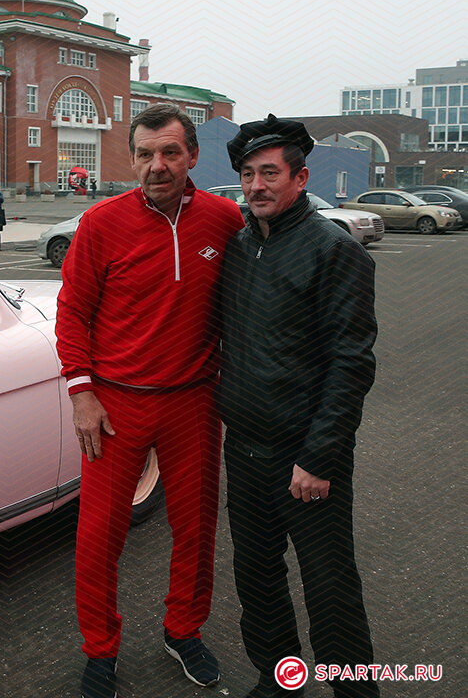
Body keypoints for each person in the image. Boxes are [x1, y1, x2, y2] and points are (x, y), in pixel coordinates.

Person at [56, 103, 246, 697]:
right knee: (99, 536)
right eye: (145, 154)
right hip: (115, 404)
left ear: (192, 156)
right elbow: (73, 311)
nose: (156, 165)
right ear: (131, 157)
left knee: (195, 528)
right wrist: (82, 392)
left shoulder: (222, 220)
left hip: (193, 400)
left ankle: (183, 629)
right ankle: (100, 649)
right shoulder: (101, 224)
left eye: (170, 153)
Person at [217, 115, 379, 698]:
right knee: (258, 582)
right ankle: (278, 679)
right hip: (245, 449)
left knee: (331, 590)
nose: (256, 186)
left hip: (305, 456)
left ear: (300, 176)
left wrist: (318, 457)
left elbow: (352, 364)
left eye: (269, 173)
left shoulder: (334, 251)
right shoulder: (238, 245)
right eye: (247, 175)